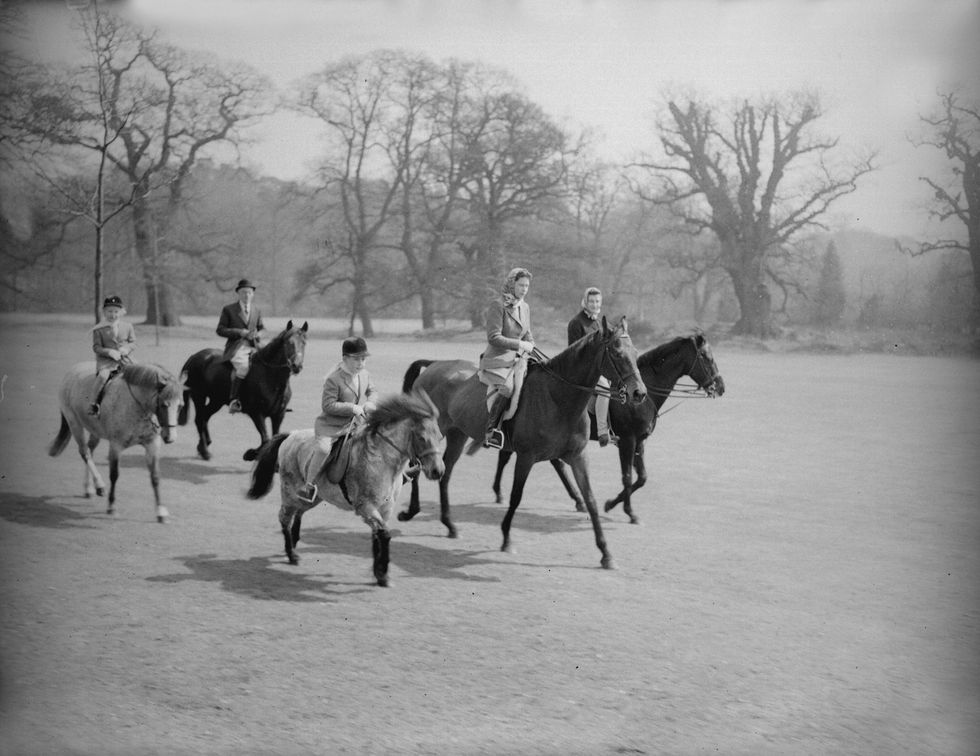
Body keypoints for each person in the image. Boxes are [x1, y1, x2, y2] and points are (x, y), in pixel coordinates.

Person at [298, 337, 378, 503]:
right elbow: (328, 405)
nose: (360, 363)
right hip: (331, 426)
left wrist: (370, 402)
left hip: (355, 423)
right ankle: (308, 486)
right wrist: (351, 407)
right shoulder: (333, 379)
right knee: (323, 450)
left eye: (363, 359)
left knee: (377, 438)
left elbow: (372, 390)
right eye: (356, 359)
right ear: (345, 359)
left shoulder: (364, 374)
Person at [477, 267, 534, 449]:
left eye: (526, 286)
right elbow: (494, 337)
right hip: (497, 359)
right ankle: (491, 431)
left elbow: (527, 334)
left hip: (518, 358)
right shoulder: (498, 305)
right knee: (508, 388)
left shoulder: (524, 307)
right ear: (512, 284)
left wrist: (530, 344)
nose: (524, 289)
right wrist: (519, 345)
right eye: (521, 285)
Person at [567, 286, 617, 447]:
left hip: (600, 371)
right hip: (582, 373)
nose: (595, 304)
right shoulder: (576, 323)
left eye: (597, 301)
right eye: (591, 301)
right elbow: (573, 354)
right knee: (605, 390)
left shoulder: (599, 322)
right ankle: (603, 432)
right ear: (585, 302)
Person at [216, 279, 265, 413]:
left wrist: (258, 334)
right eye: (243, 292)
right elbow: (220, 330)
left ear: (253, 294)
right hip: (236, 347)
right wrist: (240, 332)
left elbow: (262, 328)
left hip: (254, 346)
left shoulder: (256, 310)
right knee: (243, 367)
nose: (246, 295)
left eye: (249, 293)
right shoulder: (229, 309)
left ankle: (269, 400)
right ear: (238, 293)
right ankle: (234, 400)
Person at [89, 295, 137, 416]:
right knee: (103, 377)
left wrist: (126, 349)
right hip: (106, 362)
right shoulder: (99, 329)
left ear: (121, 312)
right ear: (104, 312)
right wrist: (109, 352)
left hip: (125, 359)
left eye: (116, 311)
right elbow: (96, 347)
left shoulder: (128, 326)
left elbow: (133, 343)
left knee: (141, 373)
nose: (113, 314)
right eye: (109, 311)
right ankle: (94, 403)